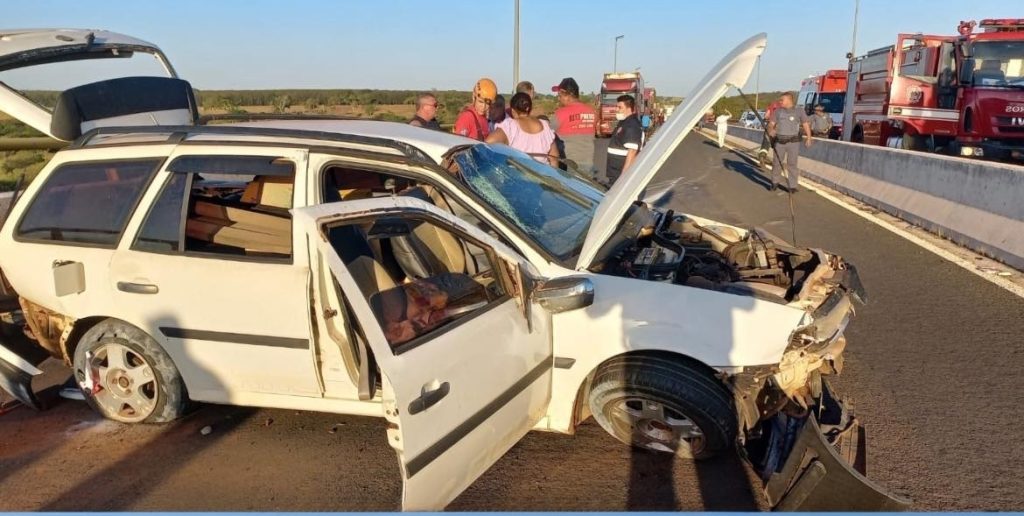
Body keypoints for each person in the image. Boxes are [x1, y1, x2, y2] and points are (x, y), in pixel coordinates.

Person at [486, 92, 558, 167]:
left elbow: (489, 141)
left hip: (519, 174)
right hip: (542, 175)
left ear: (513, 110)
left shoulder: (510, 126)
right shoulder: (545, 125)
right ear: (530, 108)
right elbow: (554, 157)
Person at [766, 92, 813, 193]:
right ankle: (774, 182)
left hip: (793, 142)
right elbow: (771, 124)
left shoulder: (799, 111)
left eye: (782, 100)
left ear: (788, 100)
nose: (780, 102)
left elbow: (805, 124)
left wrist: (809, 138)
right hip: (780, 142)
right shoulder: (778, 112)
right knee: (777, 163)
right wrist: (771, 130)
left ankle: (792, 186)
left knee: (792, 164)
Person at [551, 77, 597, 176]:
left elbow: (547, 134)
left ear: (567, 95)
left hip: (568, 164)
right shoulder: (591, 111)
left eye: (559, 95)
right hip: (588, 163)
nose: (558, 98)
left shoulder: (560, 114)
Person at [605, 95, 643, 185]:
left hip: (620, 174)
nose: (617, 110)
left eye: (620, 107)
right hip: (615, 172)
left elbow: (632, 151)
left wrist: (624, 177)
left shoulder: (631, 125)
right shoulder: (624, 122)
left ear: (629, 108)